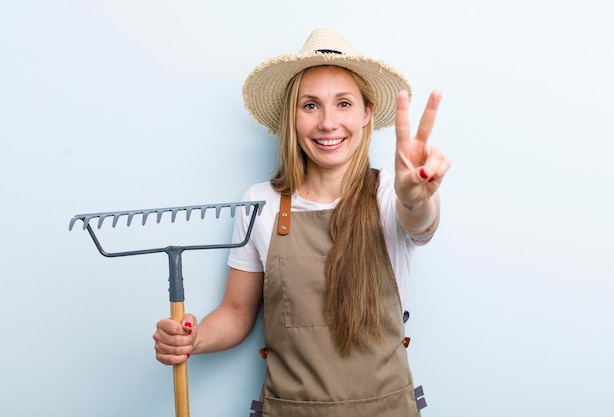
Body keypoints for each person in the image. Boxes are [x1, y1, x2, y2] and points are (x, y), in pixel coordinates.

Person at [153, 27, 451, 417]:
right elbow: (237, 313)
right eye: (310, 105)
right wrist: (192, 339)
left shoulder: (389, 196)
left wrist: (417, 197)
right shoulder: (259, 202)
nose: (328, 123)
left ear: (366, 114)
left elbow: (421, 223)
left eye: (343, 104)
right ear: (291, 117)